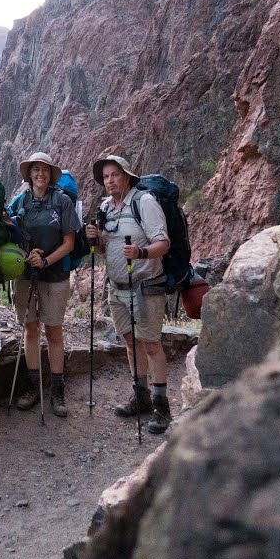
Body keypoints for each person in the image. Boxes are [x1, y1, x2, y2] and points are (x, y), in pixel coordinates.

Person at [84, 154, 172, 434]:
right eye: (106, 177)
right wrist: (96, 240)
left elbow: (163, 243)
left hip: (145, 285)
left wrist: (141, 252)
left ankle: (161, 406)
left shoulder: (144, 202)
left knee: (150, 344)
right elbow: (104, 250)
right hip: (117, 287)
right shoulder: (106, 208)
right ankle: (141, 396)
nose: (109, 180)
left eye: (114, 175)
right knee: (130, 342)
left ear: (127, 176)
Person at [7, 152, 81, 417]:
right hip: (26, 275)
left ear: (50, 175)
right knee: (30, 329)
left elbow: (69, 243)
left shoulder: (62, 202)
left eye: (45, 170)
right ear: (29, 174)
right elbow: (9, 235)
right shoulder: (20, 203)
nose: (40, 174)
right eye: (36, 170)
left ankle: (57, 390)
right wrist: (25, 255)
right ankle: (32, 385)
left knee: (53, 331)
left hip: (55, 274)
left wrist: (46, 260)